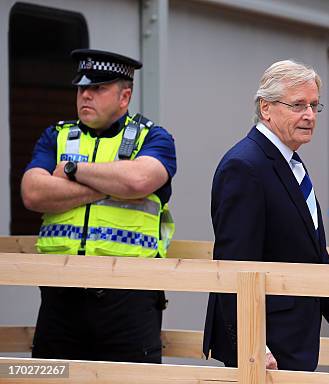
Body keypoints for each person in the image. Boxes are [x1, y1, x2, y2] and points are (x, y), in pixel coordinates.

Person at [203, 59, 329, 371]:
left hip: (293, 340)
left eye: (314, 106)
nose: (308, 115)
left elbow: (311, 251)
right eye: (297, 105)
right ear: (266, 108)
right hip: (266, 348)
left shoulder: (291, 162)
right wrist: (252, 344)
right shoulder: (245, 166)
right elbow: (234, 264)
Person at [21, 49, 177, 363]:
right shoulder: (57, 136)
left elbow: (137, 182)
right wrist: (108, 187)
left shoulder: (154, 138)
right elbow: (32, 193)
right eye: (82, 88)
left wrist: (71, 171)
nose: (86, 96)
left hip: (129, 300)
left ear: (125, 97)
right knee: (52, 379)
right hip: (61, 299)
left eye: (98, 89)